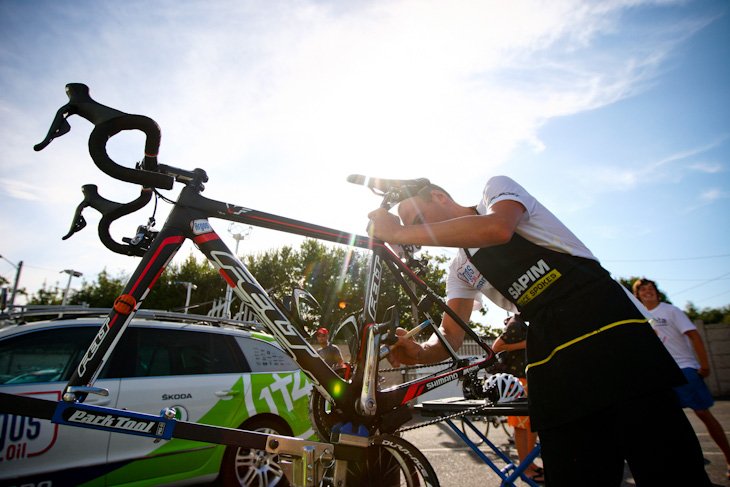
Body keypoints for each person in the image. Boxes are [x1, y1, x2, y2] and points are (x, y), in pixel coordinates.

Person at [367, 175, 711, 486]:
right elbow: (450, 337)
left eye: (418, 220)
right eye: (411, 227)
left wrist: (395, 232)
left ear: (439, 196)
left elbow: (498, 229)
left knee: (670, 470)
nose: (419, 233)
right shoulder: (460, 269)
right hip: (552, 350)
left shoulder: (494, 193)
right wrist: (420, 352)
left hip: (608, 328)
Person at [634, 278, 730, 480]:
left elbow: (694, 335)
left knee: (703, 413)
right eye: (643, 289)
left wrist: (704, 365)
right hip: (660, 374)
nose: (647, 291)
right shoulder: (639, 315)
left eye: (650, 288)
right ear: (638, 294)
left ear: (657, 292)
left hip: (684, 368)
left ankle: (729, 458)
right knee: (667, 423)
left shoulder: (671, 311)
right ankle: (681, 469)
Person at [492, 314, 543, 483]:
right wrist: (527, 344)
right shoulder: (516, 324)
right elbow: (496, 346)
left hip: (526, 377)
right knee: (522, 426)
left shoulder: (523, 323)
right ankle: (524, 468)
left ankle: (528, 464)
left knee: (530, 425)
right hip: (518, 379)